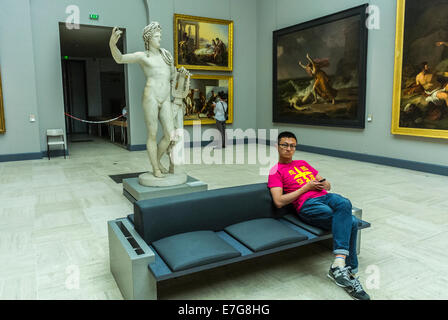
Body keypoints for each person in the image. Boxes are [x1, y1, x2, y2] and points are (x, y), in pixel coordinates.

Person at [268, 131, 370, 300]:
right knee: (350, 221)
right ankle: (350, 270)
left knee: (345, 203)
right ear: (277, 147)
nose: (289, 149)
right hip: (307, 205)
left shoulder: (302, 163)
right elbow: (278, 201)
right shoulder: (275, 171)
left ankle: (339, 264)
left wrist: (322, 183)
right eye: (284, 145)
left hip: (324, 196)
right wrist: (306, 188)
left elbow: (327, 185)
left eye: (292, 146)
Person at [109, 22, 189, 178]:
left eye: (160, 35)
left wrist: (181, 73)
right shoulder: (143, 56)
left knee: (169, 134)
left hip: (165, 97)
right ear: (149, 38)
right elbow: (119, 58)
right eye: (157, 36)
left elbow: (172, 76)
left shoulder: (166, 55)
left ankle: (157, 161)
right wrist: (112, 44)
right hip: (151, 96)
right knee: (152, 134)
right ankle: (156, 168)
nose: (160, 38)